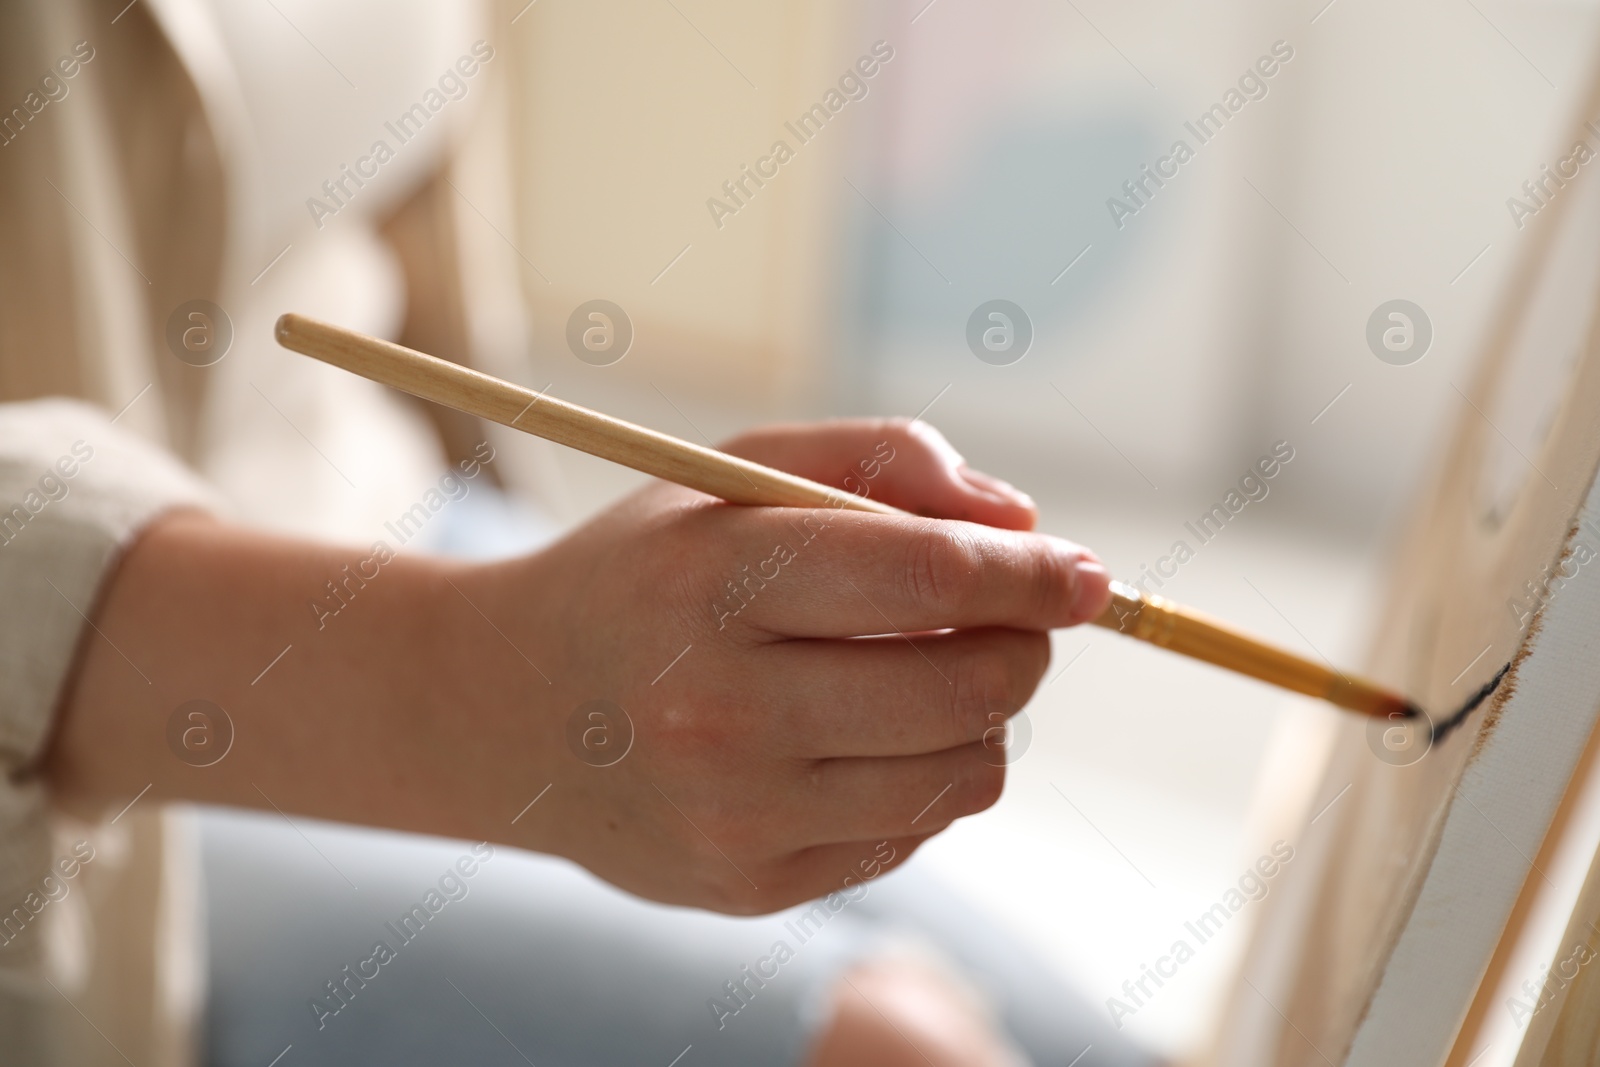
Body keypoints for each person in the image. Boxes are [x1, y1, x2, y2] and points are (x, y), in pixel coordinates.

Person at [0, 2, 1155, 1064]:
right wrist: (489, 685)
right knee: (892, 1042)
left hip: (387, 511)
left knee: (1083, 1043)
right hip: (103, 718)